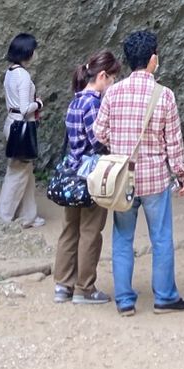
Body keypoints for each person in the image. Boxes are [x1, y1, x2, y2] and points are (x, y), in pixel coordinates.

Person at [93, 29, 184, 316]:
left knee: (123, 238)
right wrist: (181, 175)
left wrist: (118, 143)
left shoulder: (113, 92)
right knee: (161, 237)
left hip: (123, 178)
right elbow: (174, 142)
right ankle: (164, 297)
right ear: (152, 60)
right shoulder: (164, 95)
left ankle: (124, 300)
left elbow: (99, 132)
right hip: (155, 179)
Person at [53, 50, 121, 306]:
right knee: (91, 231)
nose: (113, 83)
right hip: (91, 176)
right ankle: (85, 288)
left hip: (72, 174)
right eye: (113, 78)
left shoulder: (75, 101)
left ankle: (63, 285)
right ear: (102, 75)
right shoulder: (94, 103)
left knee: (69, 230)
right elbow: (98, 140)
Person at [0, 32, 45, 228]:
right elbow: (25, 109)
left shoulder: (10, 72)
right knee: (17, 172)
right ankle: (2, 218)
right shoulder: (23, 75)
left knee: (25, 171)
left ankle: (28, 215)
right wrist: (38, 103)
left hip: (12, 124)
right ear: (27, 52)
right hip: (21, 125)